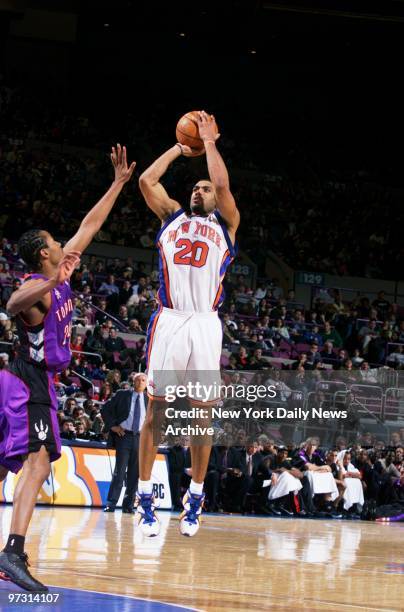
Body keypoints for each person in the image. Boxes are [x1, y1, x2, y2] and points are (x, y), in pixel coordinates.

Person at [0, 144, 136, 591]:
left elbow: (89, 226)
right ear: (43, 254)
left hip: (25, 381)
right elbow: (11, 302)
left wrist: (117, 184)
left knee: (8, 467)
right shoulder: (38, 286)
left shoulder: (62, 272)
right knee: (37, 464)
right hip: (26, 381)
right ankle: (13, 554)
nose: (64, 244)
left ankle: (10, 553)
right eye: (56, 244)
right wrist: (48, 281)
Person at [137, 111, 240, 537]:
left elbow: (222, 185)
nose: (199, 190)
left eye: (204, 188)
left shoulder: (227, 224)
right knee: (156, 411)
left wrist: (210, 143)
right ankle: (144, 498)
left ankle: (195, 497)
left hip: (204, 323)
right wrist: (181, 149)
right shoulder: (172, 217)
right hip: (171, 319)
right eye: (194, 187)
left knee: (202, 417)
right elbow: (146, 181)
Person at [101, 373, 147, 513]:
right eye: (137, 380)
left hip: (140, 438)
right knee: (119, 472)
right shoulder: (122, 395)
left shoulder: (149, 400)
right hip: (124, 436)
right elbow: (105, 409)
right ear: (133, 382)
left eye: (143, 380)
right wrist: (113, 426)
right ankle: (111, 503)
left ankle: (128, 505)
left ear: (147, 384)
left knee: (135, 474)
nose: (140, 382)